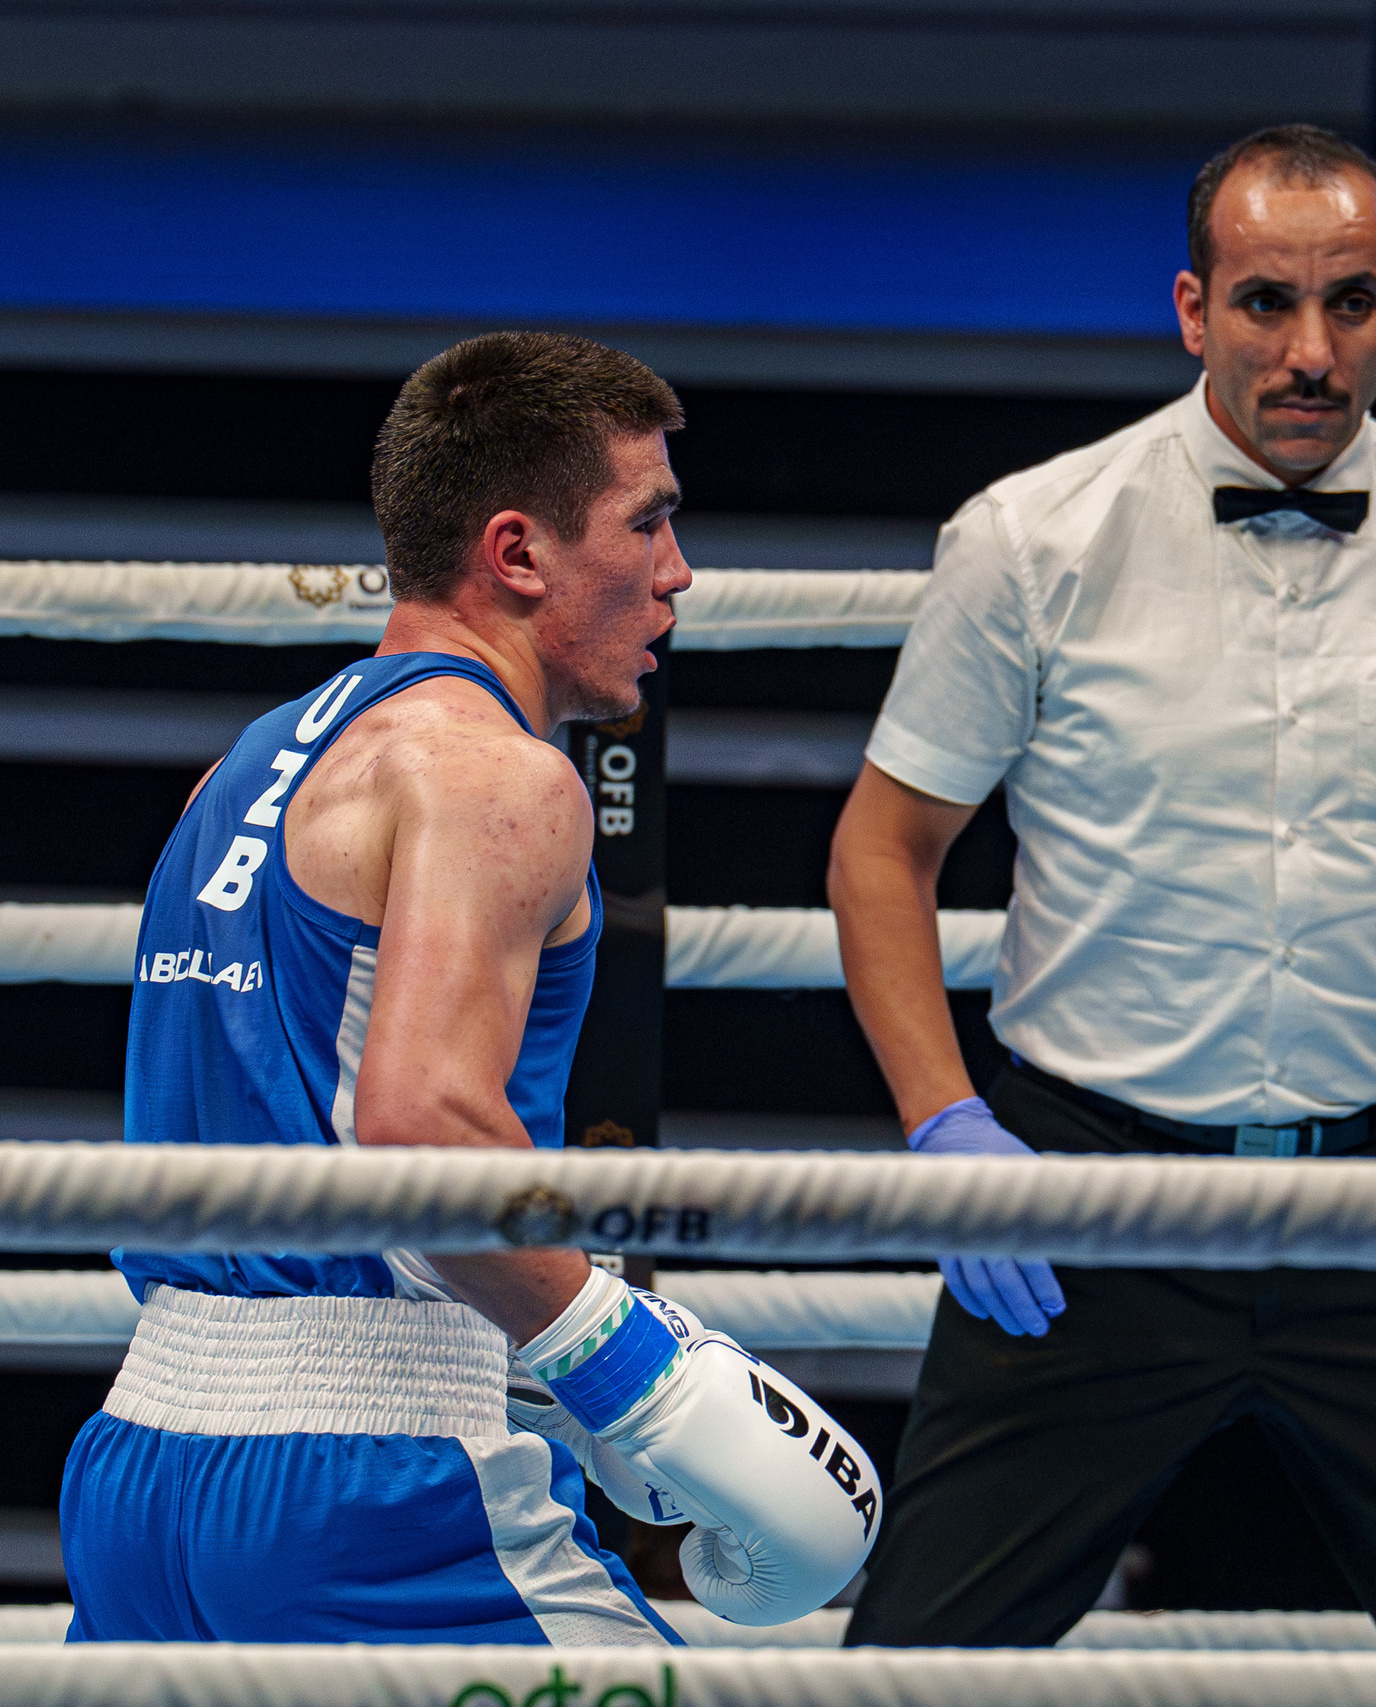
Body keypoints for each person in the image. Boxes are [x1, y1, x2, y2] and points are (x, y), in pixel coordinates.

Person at [827, 124, 1376, 1650]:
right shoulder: (1032, 540)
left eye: (1349, 304)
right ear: (1192, 309)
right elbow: (884, 846)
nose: (1309, 352)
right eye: (1266, 302)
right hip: (1095, 1193)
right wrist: (947, 1128)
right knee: (914, 1668)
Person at [60, 332, 877, 1643]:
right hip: (371, 1482)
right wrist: (640, 1377)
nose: (680, 573)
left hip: (141, 1467)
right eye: (649, 521)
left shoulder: (244, 769)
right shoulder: (499, 779)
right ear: (516, 552)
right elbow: (419, 1131)